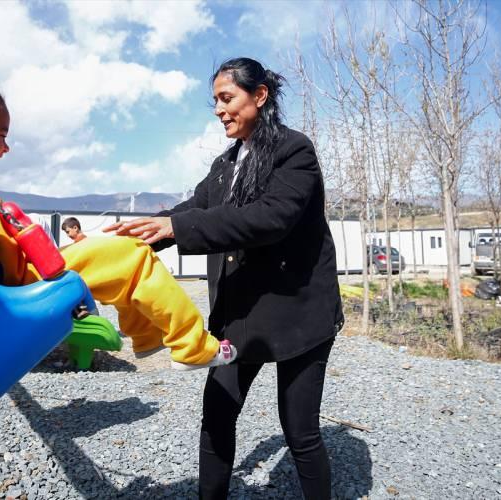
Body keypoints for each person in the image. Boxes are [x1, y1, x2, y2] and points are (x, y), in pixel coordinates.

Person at [0, 76, 236, 370]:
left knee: (122, 253)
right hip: (12, 294)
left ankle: (147, 336)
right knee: (134, 256)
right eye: (1, 134)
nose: (6, 148)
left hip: (12, 281)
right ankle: (192, 346)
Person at [107, 58, 344, 499]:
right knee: (217, 417)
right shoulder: (225, 164)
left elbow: (271, 218)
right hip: (240, 315)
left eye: (226, 98)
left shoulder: (294, 151)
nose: (218, 109)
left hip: (299, 314)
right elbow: (190, 211)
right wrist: (131, 241)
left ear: (259, 96)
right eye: (215, 100)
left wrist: (178, 228)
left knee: (299, 429)